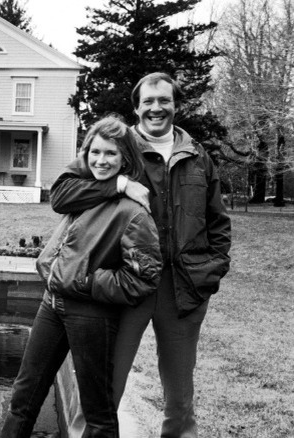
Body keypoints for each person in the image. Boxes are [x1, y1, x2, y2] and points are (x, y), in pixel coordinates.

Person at [49, 72, 232, 437]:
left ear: (175, 105)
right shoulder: (118, 147)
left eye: (164, 100)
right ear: (136, 107)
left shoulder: (198, 157)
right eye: (148, 101)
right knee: (104, 390)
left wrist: (211, 270)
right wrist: (118, 183)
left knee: (180, 398)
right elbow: (62, 194)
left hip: (183, 289)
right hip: (126, 286)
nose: (156, 108)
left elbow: (219, 222)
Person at [0, 116, 163, 438]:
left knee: (97, 411)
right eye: (95, 152)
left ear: (125, 159)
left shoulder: (133, 212)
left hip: (91, 314)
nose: (101, 160)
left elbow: (144, 278)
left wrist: (88, 283)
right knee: (24, 397)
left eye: (111, 154)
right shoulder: (86, 191)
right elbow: (60, 197)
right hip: (53, 305)